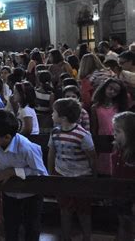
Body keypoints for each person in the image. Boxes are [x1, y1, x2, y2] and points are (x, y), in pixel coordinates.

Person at [0, 110, 48, 241]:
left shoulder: (26, 148)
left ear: (7, 137)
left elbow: (41, 173)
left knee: (31, 227)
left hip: (31, 195)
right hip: (10, 193)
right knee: (10, 227)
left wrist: (13, 171)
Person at [48, 98, 97, 241]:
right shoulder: (55, 132)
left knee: (84, 211)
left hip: (81, 176)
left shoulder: (82, 134)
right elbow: (52, 153)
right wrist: (51, 173)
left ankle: (87, 236)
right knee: (64, 209)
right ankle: (66, 236)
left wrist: (94, 177)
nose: (52, 114)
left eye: (54, 112)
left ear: (63, 117)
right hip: (61, 174)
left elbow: (92, 157)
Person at [91, 78, 128, 175]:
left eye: (116, 91)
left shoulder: (119, 106)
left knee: (115, 163)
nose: (112, 92)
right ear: (104, 87)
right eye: (110, 88)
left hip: (116, 138)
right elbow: (94, 127)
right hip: (102, 138)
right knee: (103, 166)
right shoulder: (96, 107)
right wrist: (95, 141)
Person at [110, 112, 135, 240]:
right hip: (119, 194)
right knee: (122, 222)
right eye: (114, 130)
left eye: (118, 131)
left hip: (131, 197)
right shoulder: (118, 149)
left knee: (130, 225)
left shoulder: (132, 154)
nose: (114, 134)